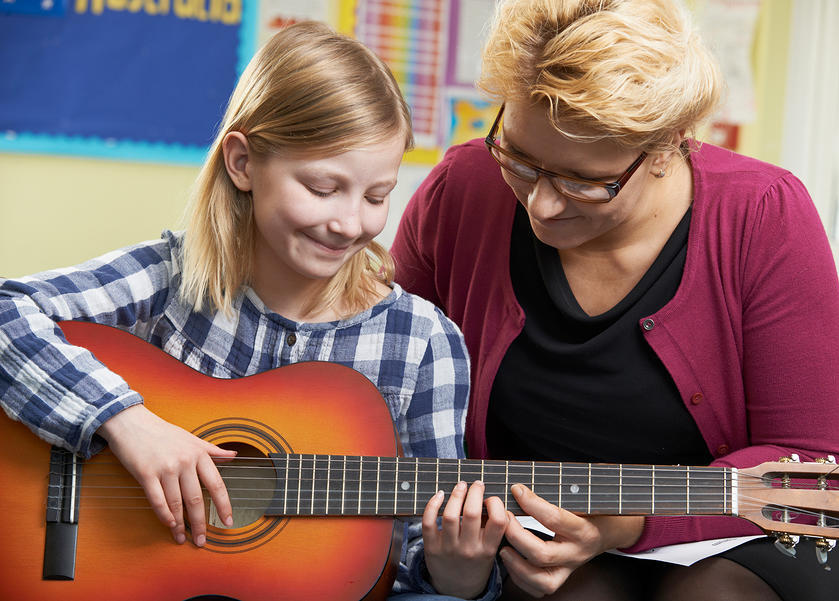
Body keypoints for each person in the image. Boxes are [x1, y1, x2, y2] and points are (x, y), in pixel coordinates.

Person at [390, 1, 839, 600]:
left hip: (756, 542)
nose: (542, 206)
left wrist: (630, 522)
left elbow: (812, 459)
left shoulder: (764, 213)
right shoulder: (461, 190)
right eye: (521, 161)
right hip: (545, 546)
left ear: (667, 147)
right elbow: (386, 379)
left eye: (583, 181)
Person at [0, 21, 506, 599]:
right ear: (242, 163)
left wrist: (459, 573)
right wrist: (127, 424)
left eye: (376, 196)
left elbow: (420, 553)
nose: (351, 224)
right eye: (322, 188)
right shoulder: (170, 278)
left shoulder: (422, 342)